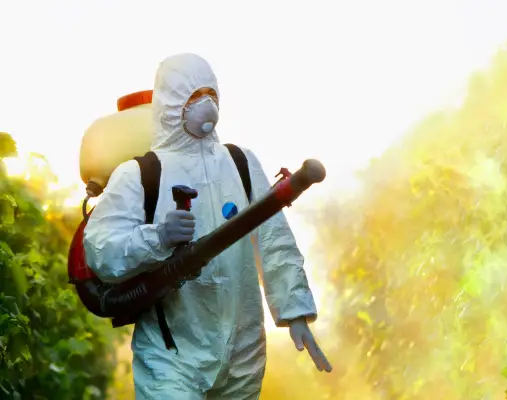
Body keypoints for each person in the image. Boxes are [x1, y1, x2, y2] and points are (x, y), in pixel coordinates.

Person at [83, 53, 331, 399]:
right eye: (193, 96)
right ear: (170, 103)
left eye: (210, 94)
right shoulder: (138, 175)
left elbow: (274, 242)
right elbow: (100, 251)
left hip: (244, 354)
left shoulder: (241, 163)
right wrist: (159, 237)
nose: (206, 105)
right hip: (171, 357)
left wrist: (296, 312)